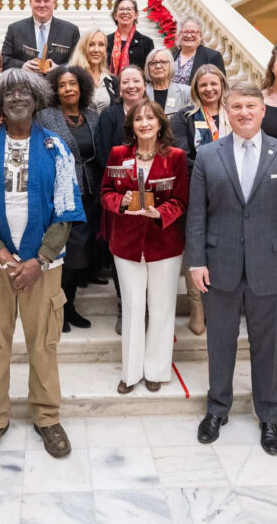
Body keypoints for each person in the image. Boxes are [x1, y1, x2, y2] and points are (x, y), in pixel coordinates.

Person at [0, 68, 85, 462]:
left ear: (38, 97)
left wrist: (39, 259)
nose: (16, 98)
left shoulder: (55, 146)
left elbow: (67, 208)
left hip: (44, 264)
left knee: (44, 341)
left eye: (25, 92)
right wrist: (6, 258)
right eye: (8, 93)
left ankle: (47, 416)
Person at [186, 82, 277, 455]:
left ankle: (269, 415)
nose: (244, 113)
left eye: (251, 106)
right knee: (219, 342)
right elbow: (196, 216)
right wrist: (196, 261)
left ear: (262, 111)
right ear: (227, 109)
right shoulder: (208, 155)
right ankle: (217, 409)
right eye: (237, 106)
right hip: (219, 264)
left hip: (270, 266)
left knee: (268, 347)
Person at [102, 100, 188, 393]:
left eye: (150, 118)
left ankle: (156, 369)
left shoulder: (175, 157)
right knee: (133, 307)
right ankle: (131, 372)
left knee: (162, 308)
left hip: (163, 242)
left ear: (161, 123)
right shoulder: (118, 154)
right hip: (126, 243)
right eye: (138, 119)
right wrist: (121, 202)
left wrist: (161, 214)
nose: (145, 123)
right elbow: (105, 193)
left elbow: (180, 200)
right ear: (132, 126)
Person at [35, 65, 101, 332]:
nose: (68, 89)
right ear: (54, 90)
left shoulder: (93, 117)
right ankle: (55, 307)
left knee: (80, 252)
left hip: (89, 192)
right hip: (58, 193)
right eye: (62, 85)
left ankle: (68, 305)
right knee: (60, 252)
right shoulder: (45, 117)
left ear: (82, 86)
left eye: (72, 84)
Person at [95, 64, 148, 334]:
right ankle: (124, 305)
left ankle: (148, 306)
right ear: (119, 86)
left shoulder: (153, 113)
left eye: (135, 81)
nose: (131, 86)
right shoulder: (109, 116)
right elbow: (105, 155)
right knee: (123, 252)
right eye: (125, 81)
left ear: (144, 83)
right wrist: (123, 187)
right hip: (121, 196)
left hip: (152, 195)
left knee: (149, 251)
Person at [1, 0, 81, 71]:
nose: (42, 5)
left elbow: (78, 62)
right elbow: (4, 60)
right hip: (25, 83)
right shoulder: (14, 30)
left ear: (54, 3)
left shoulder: (71, 31)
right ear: (30, 2)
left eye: (46, 1)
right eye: (38, 1)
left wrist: (60, 69)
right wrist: (22, 66)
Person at [172, 65, 231, 177]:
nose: (209, 89)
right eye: (203, 85)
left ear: (222, 85)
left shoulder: (233, 113)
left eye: (213, 84)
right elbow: (182, 155)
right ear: (196, 89)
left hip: (231, 178)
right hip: (197, 178)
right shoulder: (185, 116)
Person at [70, 28, 117, 112]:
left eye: (101, 45)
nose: (96, 50)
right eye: (91, 44)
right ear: (83, 48)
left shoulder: (112, 80)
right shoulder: (72, 77)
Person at [171, 16, 225, 87]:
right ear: (179, 34)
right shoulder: (172, 56)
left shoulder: (212, 56)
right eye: (185, 32)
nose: (189, 35)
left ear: (201, 35)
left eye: (193, 32)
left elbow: (221, 85)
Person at [106, 0, 154, 74]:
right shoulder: (106, 41)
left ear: (136, 15)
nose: (125, 12)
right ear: (115, 15)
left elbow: (149, 71)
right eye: (121, 9)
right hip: (111, 85)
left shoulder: (146, 42)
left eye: (129, 9)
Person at [144, 47, 191, 118]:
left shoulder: (187, 92)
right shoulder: (142, 92)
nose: (158, 66)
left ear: (171, 65)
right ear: (148, 67)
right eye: (153, 63)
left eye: (163, 62)